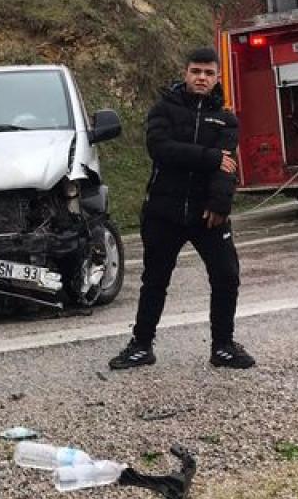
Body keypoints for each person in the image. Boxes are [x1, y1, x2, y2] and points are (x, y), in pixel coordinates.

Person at [109, 47, 254, 370]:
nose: (201, 78)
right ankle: (141, 345)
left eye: (208, 73)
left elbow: (227, 167)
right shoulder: (164, 108)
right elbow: (161, 150)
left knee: (227, 276)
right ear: (185, 73)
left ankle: (223, 346)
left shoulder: (226, 119)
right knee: (155, 280)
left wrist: (220, 204)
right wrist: (210, 156)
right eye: (195, 72)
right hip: (164, 211)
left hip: (208, 214)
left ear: (217, 78)